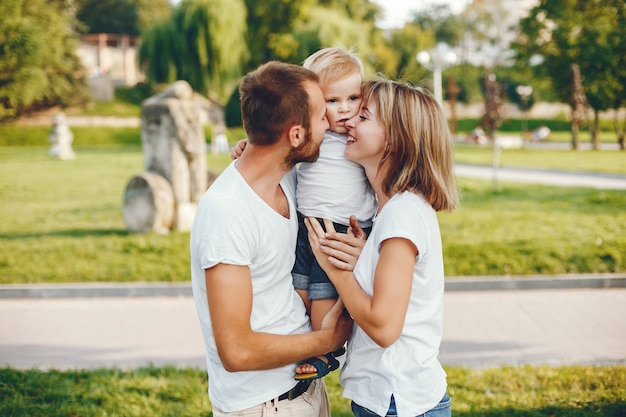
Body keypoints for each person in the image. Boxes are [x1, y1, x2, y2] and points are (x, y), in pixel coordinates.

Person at [190, 61, 353, 417]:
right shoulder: (227, 213)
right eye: (321, 116)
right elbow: (236, 351)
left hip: (305, 390)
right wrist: (327, 339)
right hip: (262, 406)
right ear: (296, 135)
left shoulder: (290, 180)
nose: (330, 121)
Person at [303, 77, 459, 416]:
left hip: (399, 402)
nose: (349, 122)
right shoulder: (388, 209)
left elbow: (385, 328)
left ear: (395, 138)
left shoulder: (402, 214)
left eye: (364, 116)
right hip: (387, 400)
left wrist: (336, 270)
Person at [293, 47, 377, 381]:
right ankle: (299, 345)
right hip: (306, 227)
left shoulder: (360, 138)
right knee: (297, 296)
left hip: (342, 230)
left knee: (323, 302)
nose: (344, 110)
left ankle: (325, 353)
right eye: (332, 101)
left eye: (353, 98)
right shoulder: (312, 136)